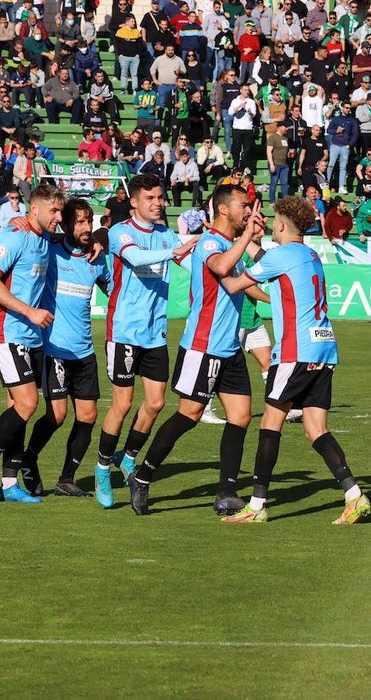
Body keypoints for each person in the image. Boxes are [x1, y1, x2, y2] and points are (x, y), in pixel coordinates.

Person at [219, 196, 371, 525]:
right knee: (316, 429)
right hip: (324, 350)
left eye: (273, 220)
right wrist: (251, 244)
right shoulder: (307, 253)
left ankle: (257, 505)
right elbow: (271, 265)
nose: (270, 224)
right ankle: (354, 495)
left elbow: (232, 283)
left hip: (295, 352)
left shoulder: (283, 255)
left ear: (283, 225)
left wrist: (209, 260)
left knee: (269, 425)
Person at [127, 186, 266, 516]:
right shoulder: (209, 243)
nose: (247, 210)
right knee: (188, 415)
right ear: (222, 209)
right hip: (202, 347)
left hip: (230, 347)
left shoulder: (234, 243)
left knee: (241, 416)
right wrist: (247, 236)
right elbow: (221, 268)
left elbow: (259, 268)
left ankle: (226, 493)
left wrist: (258, 238)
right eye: (243, 206)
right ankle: (143, 475)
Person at [95, 173, 196, 508]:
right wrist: (176, 250)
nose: (158, 203)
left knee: (155, 403)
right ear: (134, 201)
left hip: (155, 333)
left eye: (161, 197)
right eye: (150, 198)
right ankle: (101, 468)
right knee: (122, 405)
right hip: (124, 330)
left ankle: (128, 458)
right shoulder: (119, 232)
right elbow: (136, 258)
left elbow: (194, 265)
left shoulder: (167, 235)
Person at [0, 183, 64, 504]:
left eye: (60, 211)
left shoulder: (46, 238)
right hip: (4, 331)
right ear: (34, 209)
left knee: (17, 408)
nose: (58, 217)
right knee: (28, 404)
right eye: (53, 211)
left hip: (30, 335)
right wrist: (29, 311)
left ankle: (10, 483)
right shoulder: (15, 235)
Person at [20, 198, 111, 497]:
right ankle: (28, 458)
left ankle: (66, 479)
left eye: (90, 222)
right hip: (55, 350)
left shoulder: (97, 260)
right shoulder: (51, 251)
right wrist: (13, 220)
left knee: (88, 417)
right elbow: (32, 230)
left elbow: (114, 290)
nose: (87, 228)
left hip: (84, 352)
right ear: (68, 224)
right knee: (57, 416)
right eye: (81, 222)